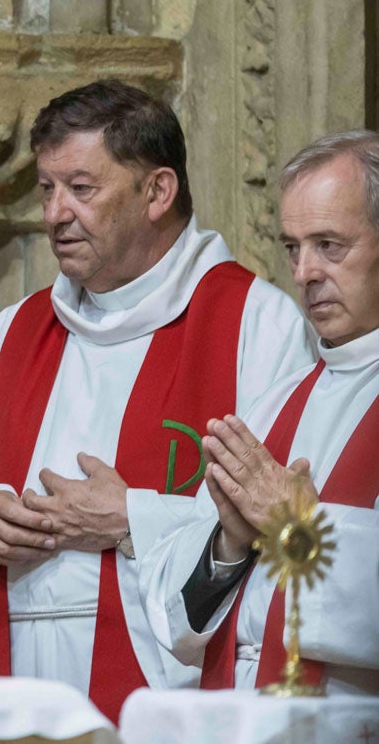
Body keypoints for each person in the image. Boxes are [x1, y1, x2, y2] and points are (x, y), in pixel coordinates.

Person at [0, 80, 312, 721]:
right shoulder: (14, 333)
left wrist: (129, 520)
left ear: (157, 191)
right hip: (14, 682)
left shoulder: (253, 326)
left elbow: (290, 527)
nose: (54, 213)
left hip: (167, 694)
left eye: (81, 188)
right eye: (46, 189)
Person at [143, 131, 379, 695]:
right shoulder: (277, 400)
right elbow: (171, 615)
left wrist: (298, 527)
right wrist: (228, 544)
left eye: (329, 245)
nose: (303, 273)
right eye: (292, 248)